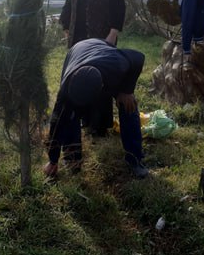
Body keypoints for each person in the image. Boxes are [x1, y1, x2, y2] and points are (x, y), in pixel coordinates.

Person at [43, 38, 149, 179]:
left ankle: (135, 159)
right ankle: (73, 159)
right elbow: (57, 124)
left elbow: (138, 57)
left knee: (128, 104)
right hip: (76, 53)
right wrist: (52, 160)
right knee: (69, 115)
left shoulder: (116, 65)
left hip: (101, 49)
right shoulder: (66, 89)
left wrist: (127, 90)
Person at [59, 0, 126, 135]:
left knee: (101, 80)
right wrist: (66, 30)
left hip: (101, 40)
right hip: (79, 43)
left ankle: (100, 125)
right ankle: (85, 120)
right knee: (81, 79)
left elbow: (119, 8)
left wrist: (113, 33)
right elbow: (68, 7)